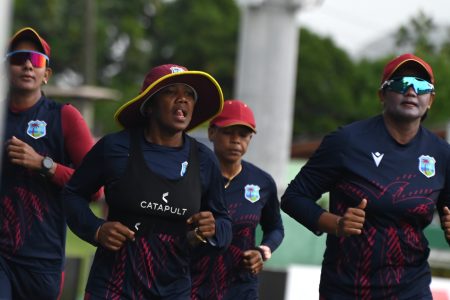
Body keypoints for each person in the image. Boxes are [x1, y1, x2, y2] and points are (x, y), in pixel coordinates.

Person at [281, 53, 450, 299]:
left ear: (431, 99)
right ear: (382, 94)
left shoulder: (442, 154)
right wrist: (336, 224)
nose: (412, 90)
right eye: (401, 83)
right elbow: (294, 197)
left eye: (422, 86)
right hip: (347, 288)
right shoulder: (346, 141)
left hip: (410, 288)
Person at [63, 64, 232, 299]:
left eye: (189, 94)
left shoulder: (205, 160)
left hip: (174, 290)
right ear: (149, 105)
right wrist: (96, 229)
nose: (183, 99)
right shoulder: (114, 148)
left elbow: (223, 222)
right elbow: (72, 195)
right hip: (113, 287)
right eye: (171, 91)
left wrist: (213, 230)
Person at [0, 27, 100, 299]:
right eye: (19, 58)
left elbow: (95, 189)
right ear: (6, 68)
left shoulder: (65, 117)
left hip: (43, 262)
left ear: (47, 75)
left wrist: (44, 164)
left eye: (37, 60)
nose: (28, 65)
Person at [191, 99, 284, 300]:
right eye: (228, 132)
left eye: (243, 135)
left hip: (240, 288)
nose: (236, 140)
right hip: (191, 285)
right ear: (211, 133)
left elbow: (275, 228)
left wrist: (262, 252)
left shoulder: (262, 182)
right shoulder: (191, 176)